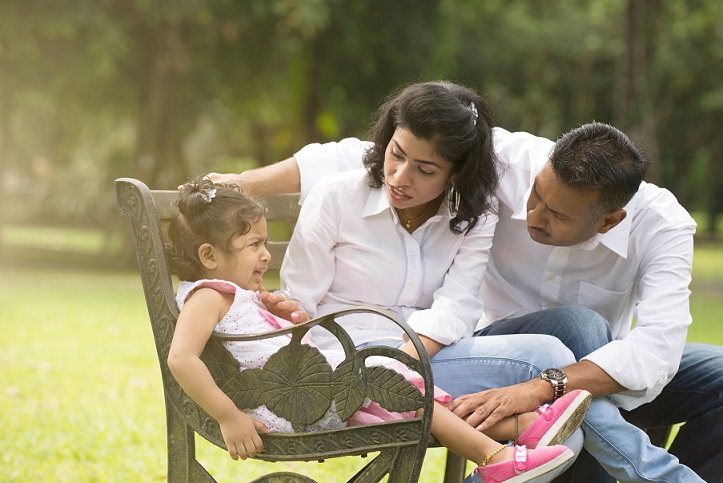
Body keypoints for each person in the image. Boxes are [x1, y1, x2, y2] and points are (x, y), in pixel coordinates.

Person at [209, 112, 722, 481]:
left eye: (558, 215)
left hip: (576, 375)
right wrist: (243, 182)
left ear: (609, 219)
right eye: (536, 196)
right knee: (582, 330)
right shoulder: (508, 162)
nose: (534, 215)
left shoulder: (662, 225)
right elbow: (365, 154)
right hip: (488, 350)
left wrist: (546, 386)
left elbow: (656, 351)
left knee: (628, 345)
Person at [164, 176, 591, 482]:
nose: (264, 255)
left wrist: (289, 316)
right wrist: (229, 417)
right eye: (254, 245)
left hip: (314, 390)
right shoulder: (208, 296)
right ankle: (496, 458)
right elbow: (180, 357)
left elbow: (259, 344)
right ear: (208, 255)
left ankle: (523, 431)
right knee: (398, 383)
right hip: (288, 407)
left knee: (409, 395)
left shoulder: (235, 295)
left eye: (263, 242)